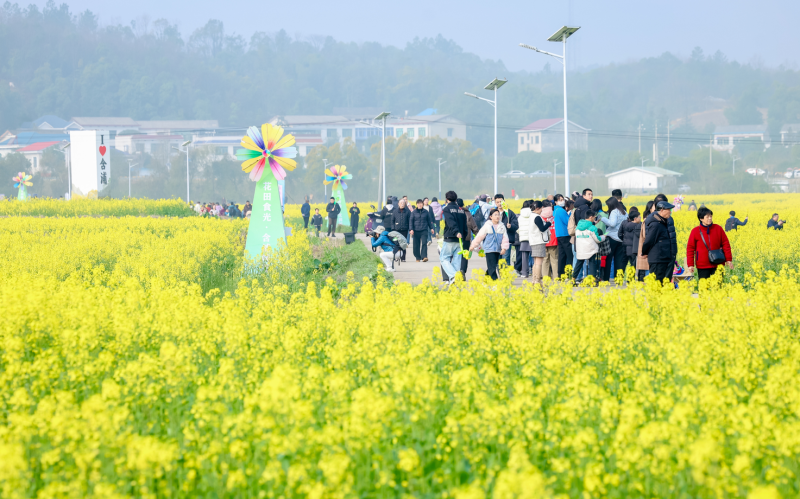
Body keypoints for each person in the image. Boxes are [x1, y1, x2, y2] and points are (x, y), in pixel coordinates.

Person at [686, 207, 733, 280]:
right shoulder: (695, 231)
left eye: (711, 216)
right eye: (707, 217)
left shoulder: (718, 228)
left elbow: (726, 244)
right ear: (701, 219)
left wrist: (728, 259)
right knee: (704, 288)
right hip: (702, 265)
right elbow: (690, 248)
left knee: (718, 288)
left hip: (718, 263)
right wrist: (690, 264)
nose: (710, 218)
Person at [469, 208, 509, 281]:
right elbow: (479, 236)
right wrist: (473, 246)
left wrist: (504, 248)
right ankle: (495, 281)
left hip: (498, 249)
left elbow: (505, 238)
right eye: (495, 215)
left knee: (493, 265)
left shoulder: (502, 226)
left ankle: (486, 279)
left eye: (498, 215)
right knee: (492, 266)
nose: (497, 216)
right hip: (489, 249)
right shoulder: (487, 226)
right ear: (490, 217)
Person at [641, 200, 676, 284]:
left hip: (662, 257)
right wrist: (645, 252)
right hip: (658, 259)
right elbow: (649, 240)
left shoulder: (662, 222)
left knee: (661, 283)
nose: (670, 212)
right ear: (661, 210)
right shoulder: (656, 224)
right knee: (657, 283)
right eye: (668, 210)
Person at [440, 191, 467, 284]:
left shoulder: (447, 209)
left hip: (450, 237)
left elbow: (450, 221)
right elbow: (465, 224)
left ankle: (453, 276)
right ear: (456, 199)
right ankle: (454, 280)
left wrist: (456, 232)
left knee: (444, 258)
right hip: (460, 239)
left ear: (447, 199)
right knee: (457, 260)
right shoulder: (461, 210)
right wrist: (463, 234)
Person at [573, 210, 603, 284]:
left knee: (578, 264)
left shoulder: (578, 227)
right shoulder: (592, 228)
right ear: (591, 217)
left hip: (581, 249)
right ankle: (593, 281)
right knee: (592, 264)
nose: (594, 219)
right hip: (590, 249)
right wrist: (604, 237)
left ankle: (573, 279)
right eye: (594, 218)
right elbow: (598, 239)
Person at [528, 200, 552, 286]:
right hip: (538, 241)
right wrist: (549, 223)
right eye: (541, 208)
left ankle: (534, 280)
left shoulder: (531, 216)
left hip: (534, 241)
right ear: (537, 208)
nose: (542, 210)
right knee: (539, 262)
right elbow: (542, 228)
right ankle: (537, 280)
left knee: (536, 262)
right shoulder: (537, 217)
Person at [604, 197, 628, 281]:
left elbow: (612, 224)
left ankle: (606, 278)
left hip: (612, 238)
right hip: (621, 239)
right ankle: (618, 279)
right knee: (619, 260)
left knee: (608, 259)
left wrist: (602, 219)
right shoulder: (624, 212)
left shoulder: (614, 211)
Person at [457, 198, 480, 277]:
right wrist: (478, 235)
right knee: (465, 255)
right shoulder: (468, 213)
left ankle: (456, 272)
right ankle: (462, 270)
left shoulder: (453, 212)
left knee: (456, 255)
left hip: (456, 238)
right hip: (466, 237)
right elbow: (474, 226)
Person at [494, 194, 518, 267]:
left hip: (506, 240)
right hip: (496, 240)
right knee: (497, 259)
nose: (499, 204)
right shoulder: (493, 213)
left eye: (501, 201)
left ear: (504, 201)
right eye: (497, 202)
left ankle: (506, 276)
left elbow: (516, 225)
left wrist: (510, 226)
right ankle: (500, 276)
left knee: (505, 259)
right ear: (495, 203)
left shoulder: (510, 213)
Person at [553, 194, 572, 279]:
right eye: (560, 200)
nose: (562, 201)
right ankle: (571, 274)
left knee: (562, 256)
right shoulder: (561, 210)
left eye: (562, 199)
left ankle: (561, 274)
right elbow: (568, 221)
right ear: (556, 202)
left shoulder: (555, 210)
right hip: (565, 234)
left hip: (559, 235)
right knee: (570, 255)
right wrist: (570, 214)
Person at [636, 201, 655, 281]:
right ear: (650, 208)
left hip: (646, 250)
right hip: (646, 250)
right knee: (648, 270)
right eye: (655, 206)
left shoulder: (649, 218)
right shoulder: (648, 220)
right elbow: (647, 236)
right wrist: (646, 251)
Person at [541, 200, 559, 281]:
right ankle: (555, 277)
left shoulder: (540, 216)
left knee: (545, 260)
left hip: (543, 241)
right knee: (554, 260)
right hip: (553, 240)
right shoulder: (554, 215)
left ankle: (546, 277)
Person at [620, 208, 641, 276]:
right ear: (635, 218)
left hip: (625, 246)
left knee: (623, 263)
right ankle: (630, 280)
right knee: (633, 264)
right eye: (639, 217)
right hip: (633, 247)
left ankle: (619, 278)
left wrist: (624, 240)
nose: (640, 218)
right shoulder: (638, 226)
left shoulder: (625, 224)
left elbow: (619, 234)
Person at [515, 200, 532, 278]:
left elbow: (518, 227)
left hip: (523, 238)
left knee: (524, 256)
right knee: (535, 256)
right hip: (532, 237)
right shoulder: (533, 214)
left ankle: (524, 273)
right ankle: (535, 272)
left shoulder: (520, 216)